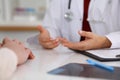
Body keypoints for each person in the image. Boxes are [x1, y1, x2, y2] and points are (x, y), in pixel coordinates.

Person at [38, 0, 120, 51]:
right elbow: (51, 26)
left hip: (110, 58)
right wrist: (48, 37)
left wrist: (106, 41)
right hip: (69, 57)